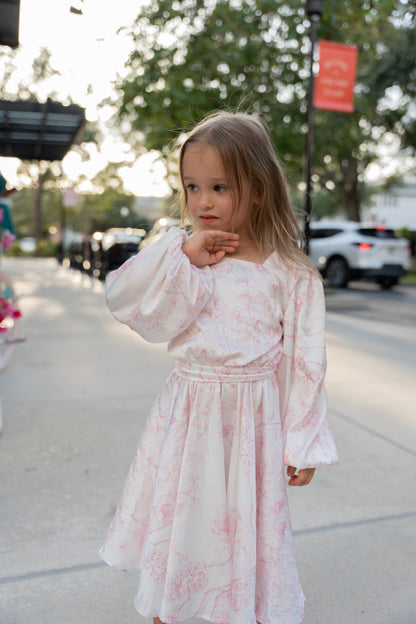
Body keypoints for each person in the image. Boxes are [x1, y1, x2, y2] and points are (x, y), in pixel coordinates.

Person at [100, 111, 338, 624]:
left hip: (251, 426)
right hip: (188, 419)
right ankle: (170, 611)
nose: (202, 200)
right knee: (184, 523)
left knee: (239, 530)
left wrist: (303, 441)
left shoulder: (290, 274)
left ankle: (238, 608)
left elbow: (306, 366)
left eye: (220, 187)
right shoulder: (184, 259)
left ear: (256, 188)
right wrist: (184, 253)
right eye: (192, 186)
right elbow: (122, 296)